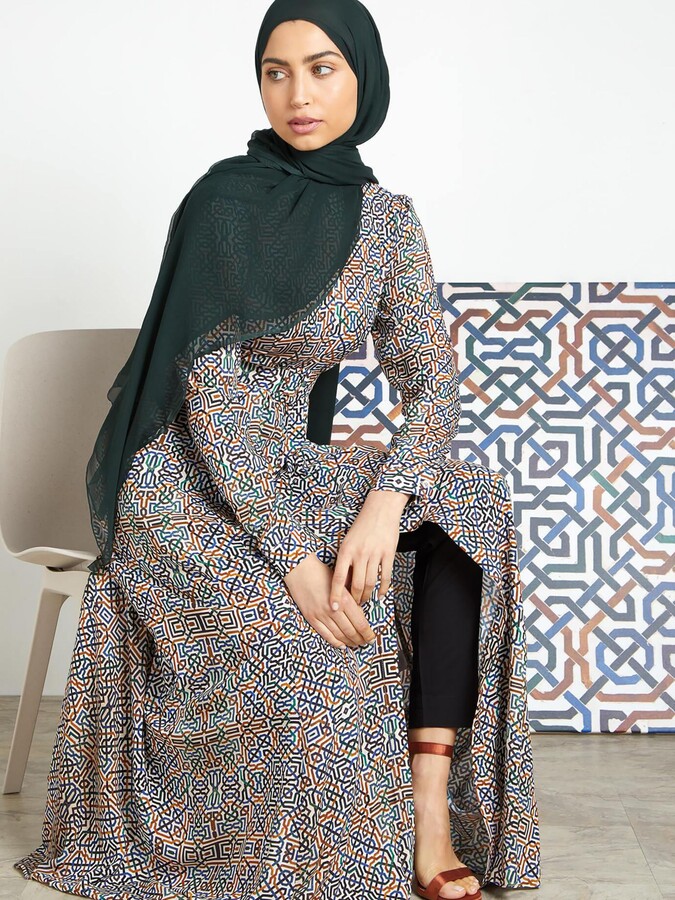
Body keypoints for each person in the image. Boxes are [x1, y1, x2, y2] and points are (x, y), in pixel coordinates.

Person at [14, 1, 541, 898]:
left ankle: (428, 809)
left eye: (322, 68)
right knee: (322, 670)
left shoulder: (386, 222)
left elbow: (431, 382)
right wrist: (296, 560)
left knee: (470, 504)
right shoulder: (224, 203)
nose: (298, 94)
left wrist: (384, 506)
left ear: (364, 78)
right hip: (180, 478)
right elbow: (211, 403)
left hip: (289, 465)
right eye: (276, 71)